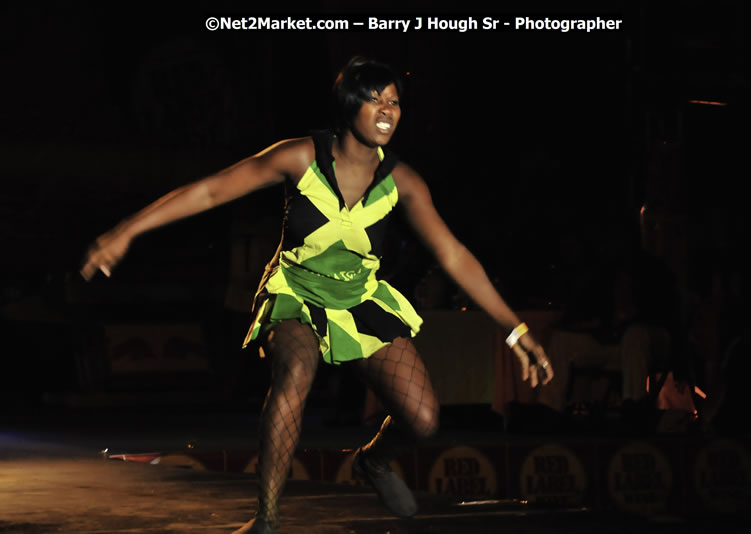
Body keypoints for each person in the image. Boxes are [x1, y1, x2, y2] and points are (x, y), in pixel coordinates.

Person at [81, 57, 554, 534]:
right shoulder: (302, 157)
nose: (388, 109)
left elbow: (454, 255)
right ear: (350, 104)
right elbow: (209, 192)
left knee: (424, 418)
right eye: (375, 99)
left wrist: (516, 331)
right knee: (295, 373)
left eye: (394, 101)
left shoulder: (402, 182)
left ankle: (373, 462)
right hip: (296, 293)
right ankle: (267, 518)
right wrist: (126, 230)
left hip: (359, 300)